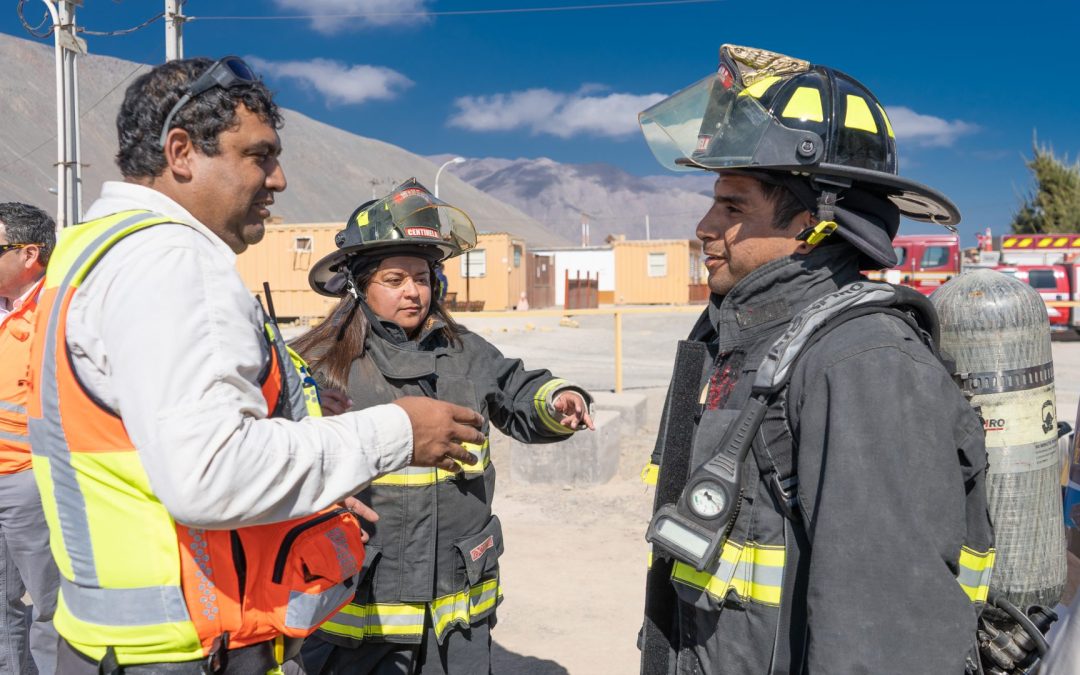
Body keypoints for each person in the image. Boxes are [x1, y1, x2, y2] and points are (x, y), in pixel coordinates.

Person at [26, 57, 484, 674]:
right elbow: (210, 473)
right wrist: (399, 431)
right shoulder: (173, 264)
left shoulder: (93, 251)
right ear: (182, 152)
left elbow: (154, 440)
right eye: (259, 156)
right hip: (187, 651)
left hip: (120, 643)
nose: (280, 180)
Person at [636, 44, 995, 672]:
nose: (703, 225)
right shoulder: (742, 339)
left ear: (814, 221)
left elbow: (887, 640)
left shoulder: (862, 363)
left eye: (733, 206)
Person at [292, 179, 595, 675]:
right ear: (358, 286)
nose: (413, 291)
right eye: (394, 279)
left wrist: (559, 401)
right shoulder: (319, 363)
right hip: (358, 621)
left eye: (422, 277)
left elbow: (519, 390)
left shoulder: (466, 352)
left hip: (458, 606)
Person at [0, 202, 60, 674]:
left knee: (51, 605)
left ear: (28, 254)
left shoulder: (60, 311)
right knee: (2, 612)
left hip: (31, 481)